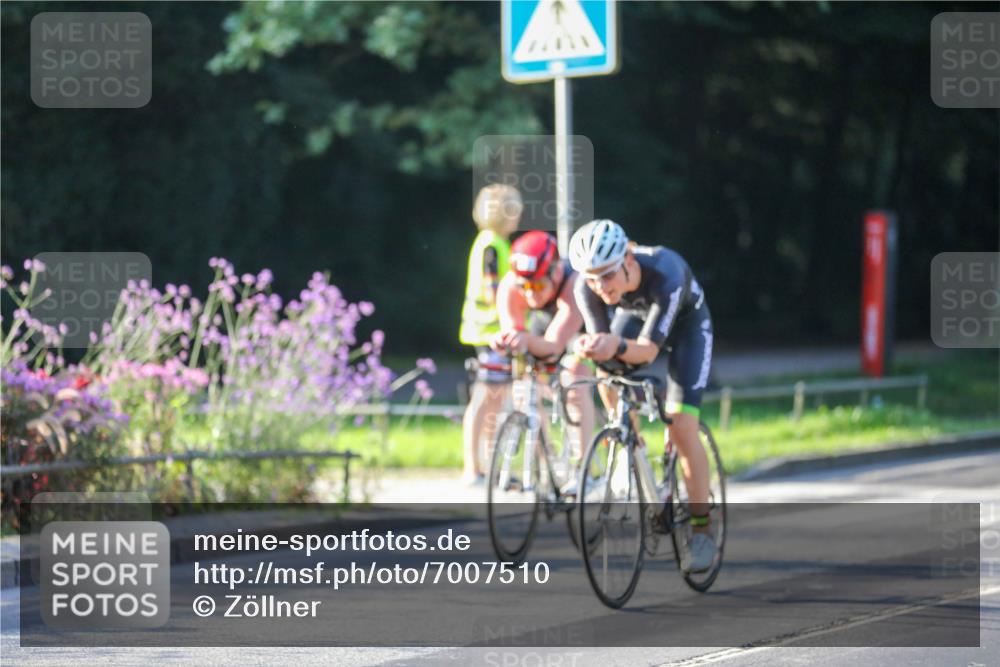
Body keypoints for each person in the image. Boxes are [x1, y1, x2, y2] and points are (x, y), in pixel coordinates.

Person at [568, 219, 717, 573]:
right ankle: (630, 448)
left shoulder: (666, 271)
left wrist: (614, 345)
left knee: (682, 428)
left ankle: (702, 529)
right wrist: (593, 347)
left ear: (629, 261)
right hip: (635, 317)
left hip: (686, 328)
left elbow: (647, 352)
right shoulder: (586, 287)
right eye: (590, 277)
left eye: (606, 275)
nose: (598, 286)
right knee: (606, 374)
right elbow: (606, 348)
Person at [490, 231, 595, 475]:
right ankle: (545, 467)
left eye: (537, 286)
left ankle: (582, 470)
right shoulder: (510, 285)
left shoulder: (574, 285)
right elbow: (517, 337)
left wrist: (524, 339)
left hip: (580, 329)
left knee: (575, 385)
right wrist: (505, 340)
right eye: (524, 287)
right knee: (523, 392)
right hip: (543, 326)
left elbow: (553, 346)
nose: (529, 294)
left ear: (556, 273)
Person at [459, 184, 522, 484]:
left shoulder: (495, 243)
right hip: (490, 333)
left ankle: (487, 467)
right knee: (485, 398)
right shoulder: (491, 246)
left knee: (494, 400)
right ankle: (473, 467)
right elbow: (492, 290)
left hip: (493, 332)